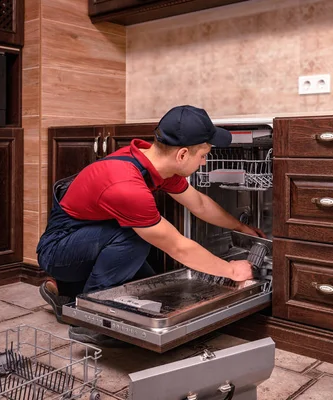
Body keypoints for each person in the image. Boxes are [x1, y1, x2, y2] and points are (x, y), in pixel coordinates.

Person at [36, 105, 265, 346]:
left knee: (149, 290)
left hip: (86, 241)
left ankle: (65, 291)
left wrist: (241, 227)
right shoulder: (127, 184)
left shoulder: (151, 161)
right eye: (203, 154)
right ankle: (92, 321)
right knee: (136, 237)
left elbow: (198, 203)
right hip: (58, 250)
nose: (205, 161)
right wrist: (231, 270)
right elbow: (177, 247)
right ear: (183, 155)